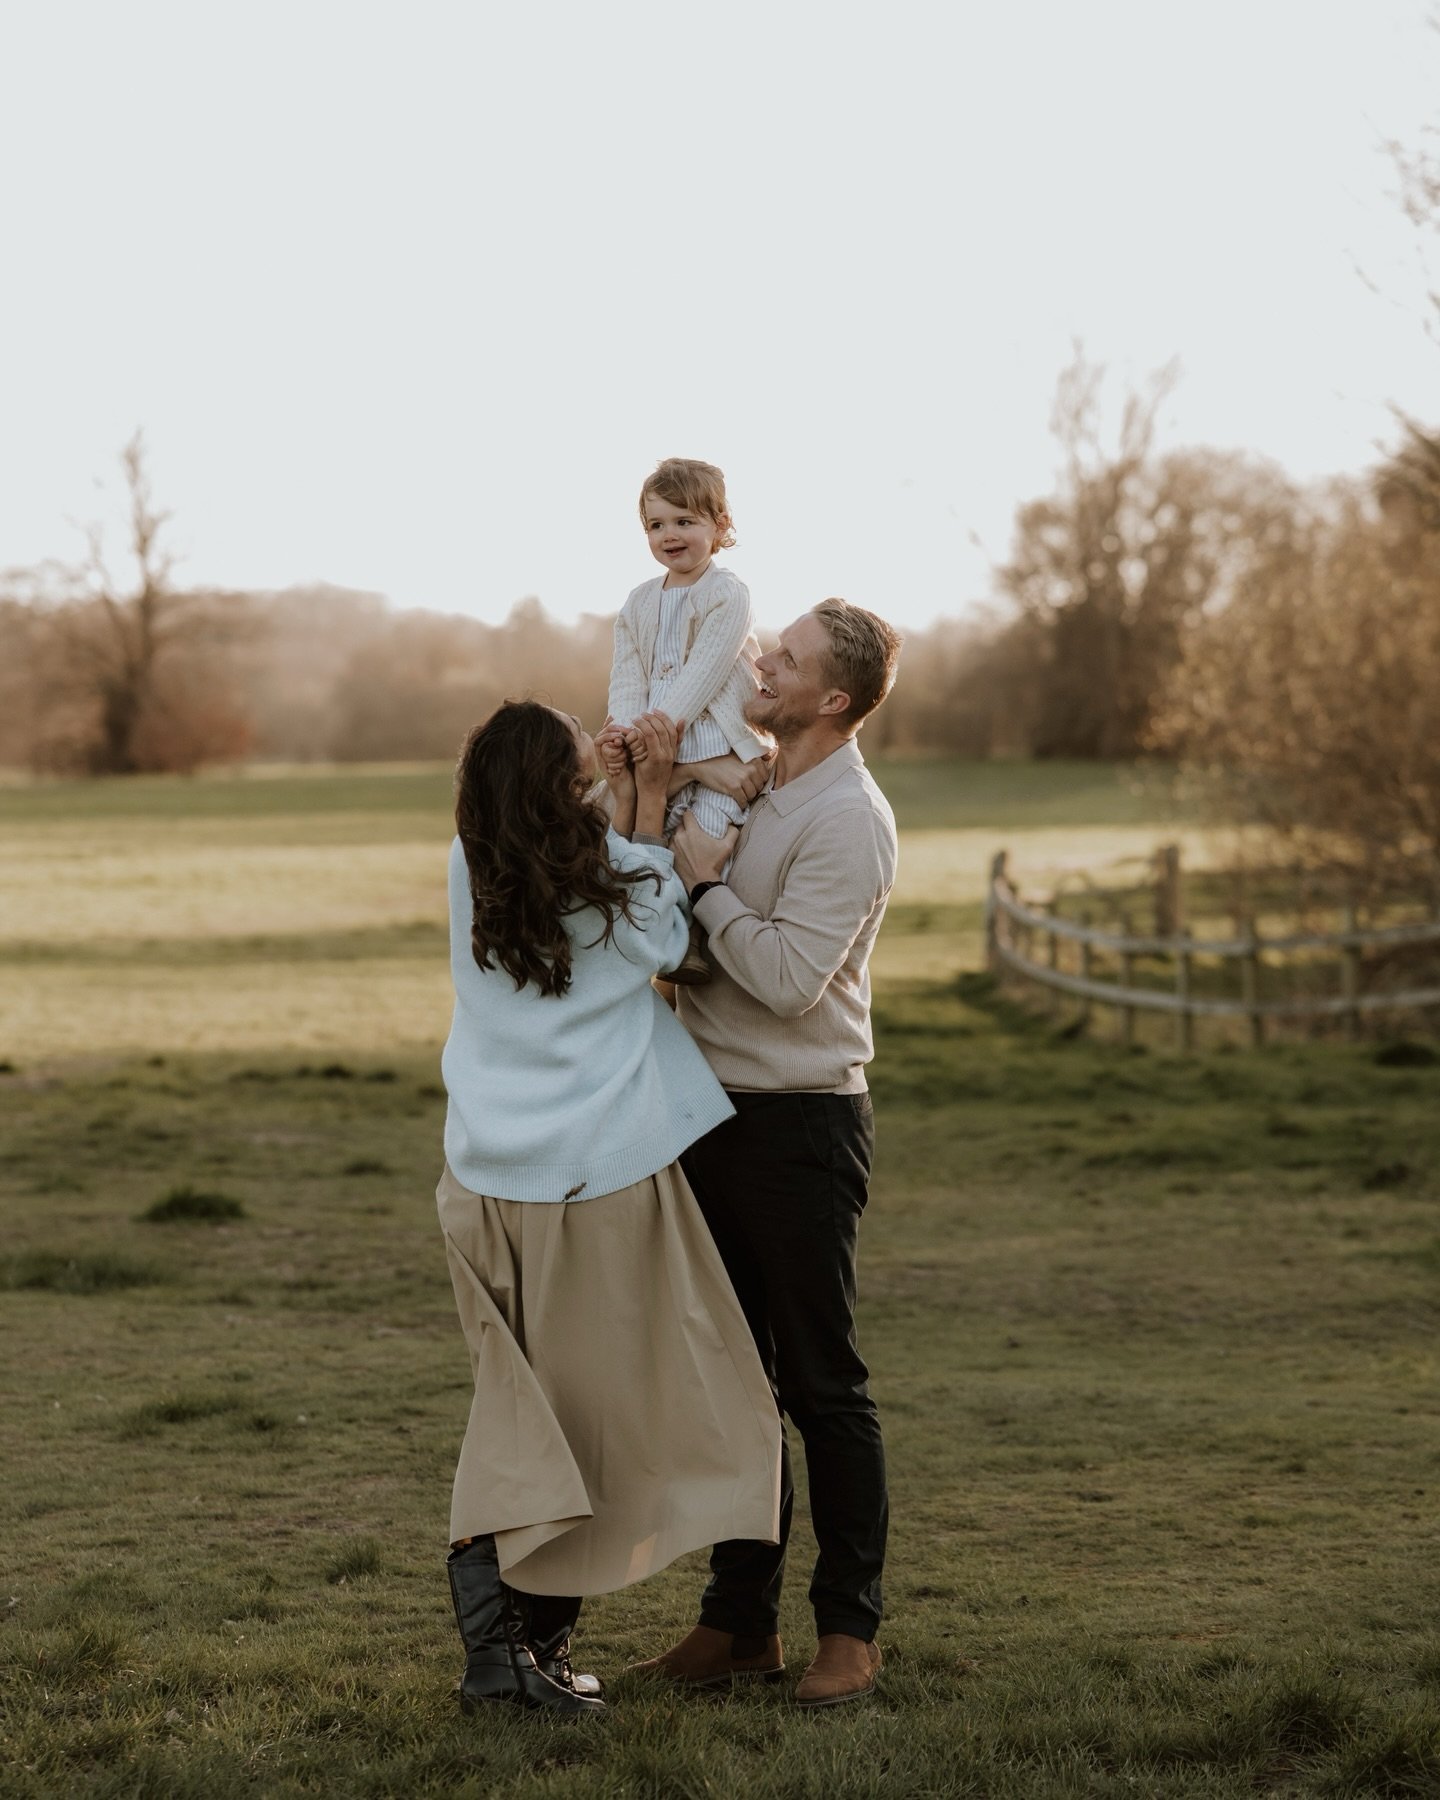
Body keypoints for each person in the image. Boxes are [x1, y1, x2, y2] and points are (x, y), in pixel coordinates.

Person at [437, 700, 782, 1718]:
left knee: (517, 1413)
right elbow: (665, 942)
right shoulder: (619, 881)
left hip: (480, 1179)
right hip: (586, 1182)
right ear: (560, 787)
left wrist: (626, 797)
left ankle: (517, 1659)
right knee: (596, 1419)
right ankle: (511, 1658)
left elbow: (578, 869)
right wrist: (647, 803)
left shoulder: (468, 868)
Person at [631, 598, 903, 1709]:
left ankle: (850, 1628)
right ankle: (739, 1623)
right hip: (708, 1111)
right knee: (735, 1391)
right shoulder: (755, 783)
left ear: (831, 700)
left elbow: (789, 983)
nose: (761, 658)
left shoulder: (850, 817)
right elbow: (697, 955)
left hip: (798, 1124)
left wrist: (702, 886)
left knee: (821, 1386)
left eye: (782, 658)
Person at [601, 457, 772, 984]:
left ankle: (698, 937)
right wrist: (630, 732)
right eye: (656, 524)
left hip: (720, 743)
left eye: (684, 521)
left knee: (708, 833)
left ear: (719, 526)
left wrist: (660, 729)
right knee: (657, 839)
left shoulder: (727, 593)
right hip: (659, 745)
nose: (668, 535)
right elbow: (627, 675)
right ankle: (655, 935)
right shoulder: (638, 602)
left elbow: (704, 672)